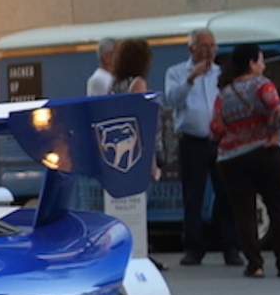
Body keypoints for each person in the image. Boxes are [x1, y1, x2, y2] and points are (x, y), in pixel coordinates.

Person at [213, 42, 280, 278]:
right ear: (252, 63)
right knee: (278, 208)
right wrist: (273, 134)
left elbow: (215, 127)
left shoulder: (224, 93)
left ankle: (254, 264)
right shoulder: (262, 85)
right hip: (265, 153)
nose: (264, 65)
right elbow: (279, 112)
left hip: (232, 158)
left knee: (243, 212)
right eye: (261, 60)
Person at [162, 28, 241, 266]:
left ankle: (231, 247)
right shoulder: (176, 72)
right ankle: (194, 248)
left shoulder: (221, 73)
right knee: (193, 197)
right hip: (192, 141)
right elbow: (171, 100)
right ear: (191, 49)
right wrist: (191, 79)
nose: (209, 51)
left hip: (219, 141)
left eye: (212, 46)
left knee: (226, 195)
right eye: (204, 46)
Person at [102, 38, 158, 267]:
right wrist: (151, 159)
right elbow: (140, 122)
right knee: (138, 207)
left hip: (117, 154)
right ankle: (140, 253)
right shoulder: (138, 83)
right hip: (136, 152)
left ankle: (125, 252)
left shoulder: (114, 84)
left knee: (121, 207)